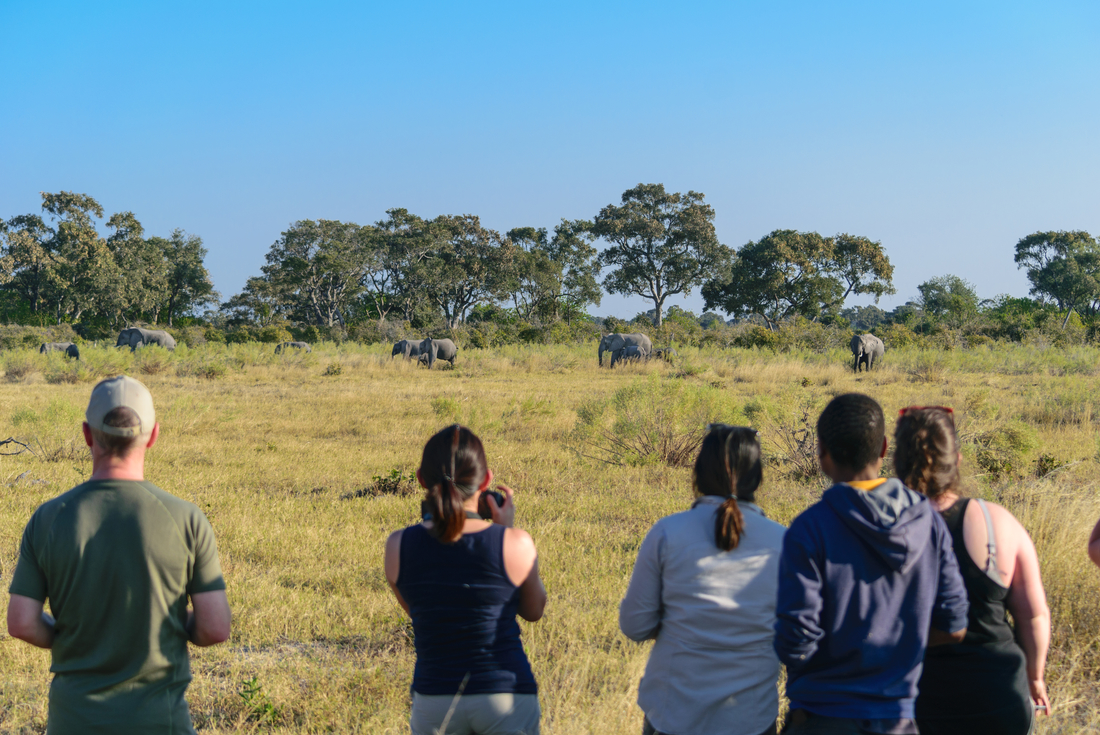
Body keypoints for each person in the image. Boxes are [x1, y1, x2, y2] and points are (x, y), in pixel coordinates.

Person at [7, 375, 231, 734]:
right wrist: (172, 620)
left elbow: (21, 622)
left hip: (73, 720)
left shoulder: (49, 517)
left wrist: (68, 635)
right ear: (154, 435)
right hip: (159, 720)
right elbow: (215, 628)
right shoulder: (186, 518)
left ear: (87, 434)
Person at [774, 393, 969, 735]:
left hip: (822, 716)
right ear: (883, 448)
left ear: (821, 452)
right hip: (898, 717)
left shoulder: (809, 528)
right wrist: (897, 646)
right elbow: (954, 624)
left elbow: (796, 641)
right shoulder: (928, 521)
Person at [619, 425, 787, 735]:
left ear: (697, 474)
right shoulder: (783, 541)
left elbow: (635, 626)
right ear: (758, 477)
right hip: (750, 718)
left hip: (673, 714)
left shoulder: (667, 533)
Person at [895, 406, 1052, 734]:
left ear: (897, 462)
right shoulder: (998, 521)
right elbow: (1034, 615)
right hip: (999, 698)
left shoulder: (885, 530)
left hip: (918, 705)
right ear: (958, 460)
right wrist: (1035, 677)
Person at [384, 424, 546, 735]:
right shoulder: (515, 542)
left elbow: (420, 611)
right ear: (486, 480)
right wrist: (506, 531)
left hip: (434, 697)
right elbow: (534, 611)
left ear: (420, 480)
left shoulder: (397, 545)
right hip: (504, 694)